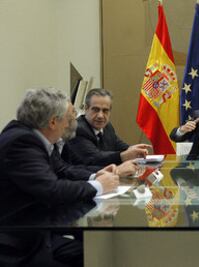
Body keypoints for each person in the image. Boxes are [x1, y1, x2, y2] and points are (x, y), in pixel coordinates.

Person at [0, 88, 120, 266]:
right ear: (53, 122)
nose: (71, 124)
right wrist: (99, 186)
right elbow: (52, 189)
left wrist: (96, 176)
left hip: (37, 231)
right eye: (69, 119)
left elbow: (62, 170)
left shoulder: (36, 138)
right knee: (94, 255)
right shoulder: (22, 142)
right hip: (16, 244)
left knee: (94, 251)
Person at [67, 88, 152, 166]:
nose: (100, 115)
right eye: (96, 110)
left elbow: (119, 145)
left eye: (105, 111)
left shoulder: (107, 126)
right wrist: (124, 155)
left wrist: (134, 149)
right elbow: (95, 158)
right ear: (86, 108)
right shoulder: (77, 128)